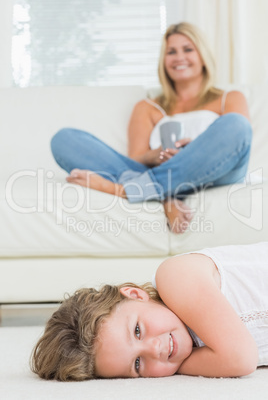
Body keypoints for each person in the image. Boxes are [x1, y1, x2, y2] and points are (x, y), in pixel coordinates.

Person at [51, 22, 252, 233]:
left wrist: (196, 151)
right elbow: (133, 162)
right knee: (65, 140)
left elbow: (237, 143)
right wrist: (152, 157)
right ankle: (166, 195)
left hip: (215, 174)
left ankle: (124, 191)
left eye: (188, 49)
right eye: (171, 52)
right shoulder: (147, 107)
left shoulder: (229, 98)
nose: (179, 57)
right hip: (157, 173)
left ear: (202, 56)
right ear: (163, 61)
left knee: (236, 125)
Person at [31, 241, 268, 381]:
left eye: (137, 330)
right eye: (137, 364)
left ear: (135, 294)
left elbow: (241, 358)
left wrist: (177, 369)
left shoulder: (175, 277)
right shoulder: (198, 345)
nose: (155, 349)